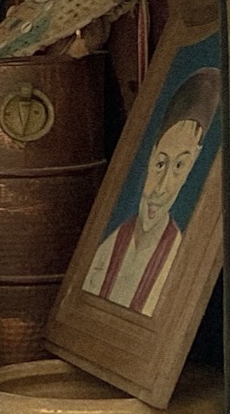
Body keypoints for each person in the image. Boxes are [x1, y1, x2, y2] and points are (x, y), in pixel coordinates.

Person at [83, 63, 220, 316]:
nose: (162, 187)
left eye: (180, 166)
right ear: (149, 156)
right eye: (160, 163)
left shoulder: (178, 258)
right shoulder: (110, 245)